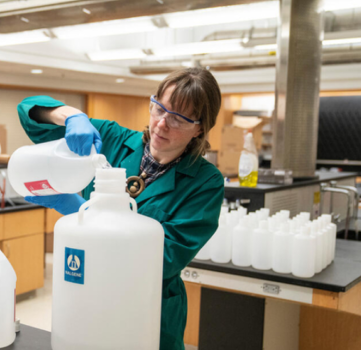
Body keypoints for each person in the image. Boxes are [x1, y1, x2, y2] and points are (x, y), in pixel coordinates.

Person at [19, 67, 224, 350]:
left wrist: (83, 214)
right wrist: (72, 117)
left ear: (199, 127)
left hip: (147, 304)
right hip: (89, 289)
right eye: (159, 108)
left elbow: (164, 258)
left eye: (177, 118)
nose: (162, 124)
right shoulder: (111, 139)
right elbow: (28, 112)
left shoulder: (205, 182)